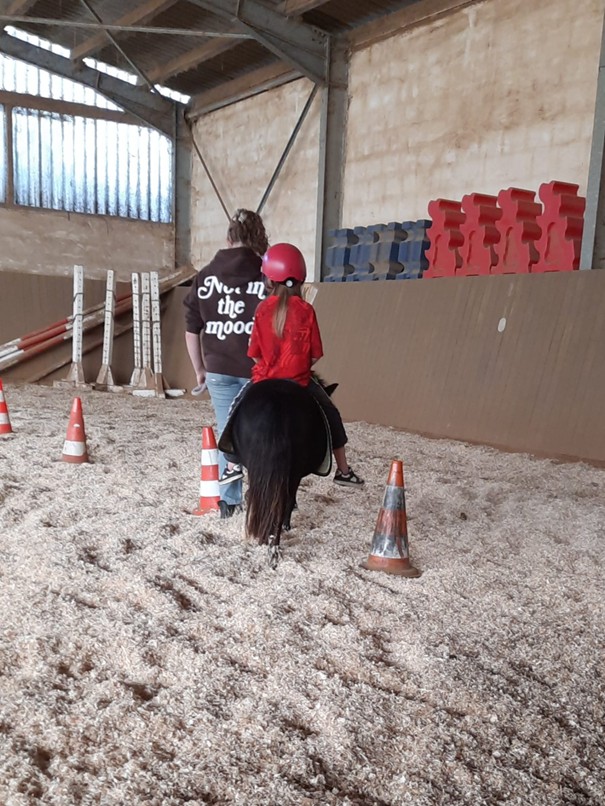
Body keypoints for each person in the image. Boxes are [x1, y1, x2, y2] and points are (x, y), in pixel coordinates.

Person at [244, 242, 364, 487]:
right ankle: (343, 470)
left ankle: (232, 463)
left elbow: (254, 353)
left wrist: (271, 366)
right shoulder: (307, 310)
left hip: (265, 379)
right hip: (299, 381)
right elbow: (316, 354)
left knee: (237, 408)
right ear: (300, 279)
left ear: (270, 279)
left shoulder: (262, 309)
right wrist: (297, 365)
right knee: (331, 413)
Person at [183, 208, 269, 516]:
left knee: (227, 432)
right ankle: (263, 497)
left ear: (228, 238)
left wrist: (200, 370)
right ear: (259, 238)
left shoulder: (205, 276)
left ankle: (229, 502)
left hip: (218, 368)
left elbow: (192, 328)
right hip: (257, 368)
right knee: (260, 433)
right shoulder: (267, 275)